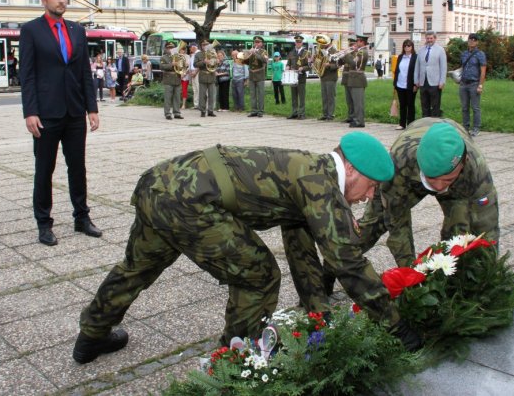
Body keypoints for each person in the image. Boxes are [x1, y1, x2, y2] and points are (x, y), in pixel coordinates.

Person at [72, 131, 421, 364]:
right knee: (259, 274)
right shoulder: (321, 186)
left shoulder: (309, 168)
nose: (371, 197)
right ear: (351, 168)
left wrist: (320, 314)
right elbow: (348, 263)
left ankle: (91, 336)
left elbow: (300, 250)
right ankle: (237, 358)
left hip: (160, 185)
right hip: (191, 202)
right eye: (373, 187)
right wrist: (396, 325)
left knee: (137, 267)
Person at [19, 0, 102, 247]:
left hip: (75, 111)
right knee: (44, 170)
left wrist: (92, 108)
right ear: (44, 0)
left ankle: (82, 217)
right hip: (45, 113)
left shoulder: (77, 30)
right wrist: (30, 111)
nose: (61, 1)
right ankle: (44, 224)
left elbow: (84, 73)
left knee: (78, 168)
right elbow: (27, 74)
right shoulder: (31, 30)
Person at [356, 118, 499, 268]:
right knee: (373, 223)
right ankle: (336, 265)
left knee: (459, 232)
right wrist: (410, 273)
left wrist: (488, 275)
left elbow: (487, 228)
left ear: (464, 162)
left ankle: (455, 278)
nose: (438, 187)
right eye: (432, 178)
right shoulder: (398, 165)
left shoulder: (475, 169)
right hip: (408, 170)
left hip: (459, 181)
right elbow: (397, 223)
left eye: (446, 179)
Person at [458, 33, 487, 137]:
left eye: (474, 40)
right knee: (464, 107)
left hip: (474, 84)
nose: (472, 41)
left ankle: (476, 128)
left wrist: (480, 85)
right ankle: (465, 127)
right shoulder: (464, 54)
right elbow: (462, 67)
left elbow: (483, 71)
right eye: (470, 39)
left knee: (475, 107)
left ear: (477, 42)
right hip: (463, 83)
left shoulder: (480, 54)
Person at [415, 31, 447, 117]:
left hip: (435, 82)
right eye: (428, 38)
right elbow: (417, 66)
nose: (429, 40)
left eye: (431, 38)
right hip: (423, 81)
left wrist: (442, 81)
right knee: (424, 104)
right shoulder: (421, 50)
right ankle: (426, 123)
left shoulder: (440, 50)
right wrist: (416, 80)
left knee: (435, 105)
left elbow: (443, 67)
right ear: (425, 38)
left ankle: (434, 123)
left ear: (435, 39)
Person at [339, 35, 369, 128]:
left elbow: (354, 64)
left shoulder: (363, 52)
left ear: (362, 42)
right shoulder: (358, 52)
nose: (356, 43)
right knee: (354, 102)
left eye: (358, 41)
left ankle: (360, 121)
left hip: (358, 79)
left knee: (358, 103)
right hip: (353, 79)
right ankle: (355, 119)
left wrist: (347, 54)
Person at [393, 39, 418, 130]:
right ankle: (402, 124)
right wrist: (395, 83)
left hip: (411, 85)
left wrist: (416, 84)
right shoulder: (400, 57)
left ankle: (411, 124)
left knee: (410, 105)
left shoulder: (415, 57)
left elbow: (417, 71)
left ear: (412, 47)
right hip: (400, 84)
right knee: (402, 105)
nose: (407, 47)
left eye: (409, 46)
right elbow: (397, 71)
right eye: (405, 46)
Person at [286, 35, 310, 120]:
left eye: (299, 42)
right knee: (294, 96)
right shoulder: (292, 52)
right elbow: (288, 63)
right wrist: (287, 67)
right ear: (295, 42)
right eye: (297, 42)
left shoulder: (306, 53)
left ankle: (302, 113)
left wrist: (303, 68)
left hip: (301, 77)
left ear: (302, 43)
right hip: (292, 77)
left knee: (301, 96)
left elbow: (309, 66)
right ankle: (294, 112)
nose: (298, 43)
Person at [159, 42, 183, 120]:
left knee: (177, 97)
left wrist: (183, 64)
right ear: (166, 49)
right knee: (168, 97)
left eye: (172, 48)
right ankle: (167, 113)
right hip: (168, 79)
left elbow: (183, 66)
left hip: (177, 78)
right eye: (169, 48)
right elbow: (162, 66)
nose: (170, 49)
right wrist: (172, 64)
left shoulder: (178, 56)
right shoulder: (164, 57)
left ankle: (177, 113)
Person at [194, 39, 218, 118]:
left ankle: (210, 110)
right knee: (202, 95)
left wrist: (217, 61)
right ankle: (203, 111)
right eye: (204, 45)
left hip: (211, 75)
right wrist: (204, 62)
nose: (205, 46)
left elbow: (216, 64)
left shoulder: (213, 53)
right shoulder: (198, 54)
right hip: (203, 75)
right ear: (201, 46)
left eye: (207, 45)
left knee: (212, 95)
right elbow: (195, 64)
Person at [245, 35, 268, 117]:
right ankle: (254, 110)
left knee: (260, 94)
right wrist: (246, 54)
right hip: (252, 75)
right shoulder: (251, 51)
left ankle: (261, 111)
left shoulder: (263, 52)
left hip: (260, 76)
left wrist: (255, 53)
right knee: (252, 94)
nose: (256, 44)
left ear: (261, 43)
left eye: (258, 42)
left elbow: (264, 60)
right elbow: (247, 62)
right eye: (255, 42)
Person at [318, 38, 339, 121]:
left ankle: (331, 115)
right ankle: (325, 114)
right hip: (323, 76)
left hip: (331, 77)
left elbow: (337, 65)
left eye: (324, 42)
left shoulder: (334, 51)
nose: (322, 44)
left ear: (329, 42)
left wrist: (329, 65)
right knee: (324, 97)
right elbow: (319, 61)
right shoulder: (322, 51)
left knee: (330, 97)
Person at [341, 37, 356, 123]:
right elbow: (340, 63)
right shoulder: (347, 54)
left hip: (353, 78)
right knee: (348, 99)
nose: (350, 47)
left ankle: (354, 116)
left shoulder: (356, 54)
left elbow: (353, 63)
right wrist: (340, 56)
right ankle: (350, 116)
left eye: (352, 45)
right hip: (346, 78)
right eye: (349, 45)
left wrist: (346, 54)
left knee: (353, 98)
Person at [189, 44, 200, 110]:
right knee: (195, 89)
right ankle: (196, 104)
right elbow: (191, 64)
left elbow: (198, 64)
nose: (190, 49)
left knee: (198, 89)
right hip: (193, 72)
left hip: (197, 72)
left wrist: (195, 72)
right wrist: (190, 72)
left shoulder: (198, 53)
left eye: (190, 48)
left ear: (193, 48)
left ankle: (199, 104)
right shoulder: (193, 54)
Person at [180, 45, 190, 110]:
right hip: (178, 74)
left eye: (183, 50)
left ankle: (183, 104)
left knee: (184, 90)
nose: (181, 51)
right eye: (180, 50)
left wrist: (184, 73)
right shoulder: (177, 56)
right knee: (178, 90)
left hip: (185, 75)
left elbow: (188, 66)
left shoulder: (187, 56)